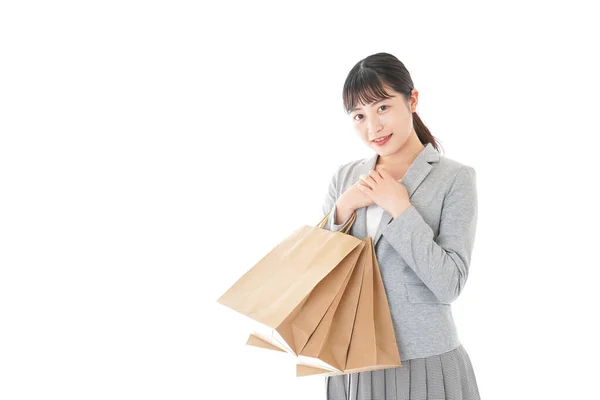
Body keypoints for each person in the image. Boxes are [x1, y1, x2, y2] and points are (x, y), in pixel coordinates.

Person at [321, 52, 481, 400]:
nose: (372, 127)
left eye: (382, 107)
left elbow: (449, 283)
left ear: (412, 100)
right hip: (355, 361)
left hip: (426, 363)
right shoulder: (345, 178)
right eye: (359, 115)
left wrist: (401, 208)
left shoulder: (454, 178)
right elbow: (319, 276)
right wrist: (343, 208)